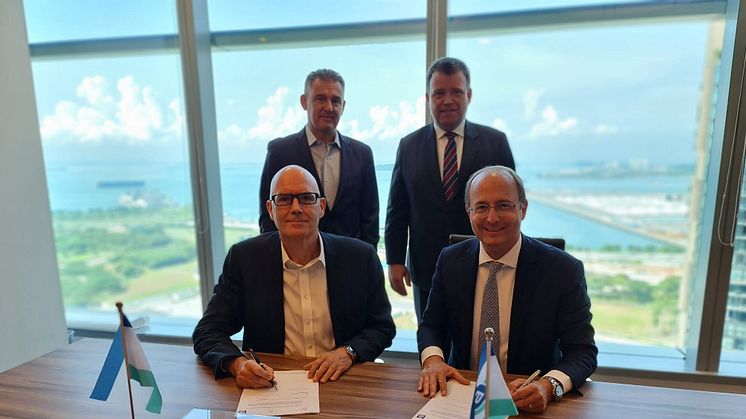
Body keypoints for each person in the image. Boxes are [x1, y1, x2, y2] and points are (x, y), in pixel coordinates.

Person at [416, 165, 597, 414]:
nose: (492, 218)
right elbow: (431, 325)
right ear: (469, 212)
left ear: (522, 209)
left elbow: (582, 351)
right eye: (481, 207)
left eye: (503, 205)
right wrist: (434, 361)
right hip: (463, 395)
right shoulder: (450, 261)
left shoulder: (562, 270)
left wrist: (548, 386)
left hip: (527, 401)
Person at [194, 165, 395, 388]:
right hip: (272, 385)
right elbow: (208, 331)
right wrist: (238, 364)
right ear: (270, 209)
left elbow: (382, 328)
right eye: (284, 199)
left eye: (307, 198)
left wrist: (348, 353)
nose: (296, 208)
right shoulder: (245, 259)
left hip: (342, 380)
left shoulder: (360, 257)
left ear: (321, 207)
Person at [385, 57, 515, 321]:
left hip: (483, 262)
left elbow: (511, 205)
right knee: (431, 338)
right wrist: (395, 260)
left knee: (479, 337)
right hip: (426, 267)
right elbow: (397, 210)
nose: (447, 100)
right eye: (439, 93)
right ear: (427, 98)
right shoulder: (408, 146)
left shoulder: (495, 143)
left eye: (456, 92)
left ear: (469, 95)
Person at [259, 69, 379, 247]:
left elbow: (370, 218)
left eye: (335, 101)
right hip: (297, 262)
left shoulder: (362, 153)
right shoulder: (280, 152)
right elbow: (268, 217)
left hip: (348, 260)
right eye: (320, 98)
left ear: (343, 106)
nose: (329, 107)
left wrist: (367, 260)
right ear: (304, 102)